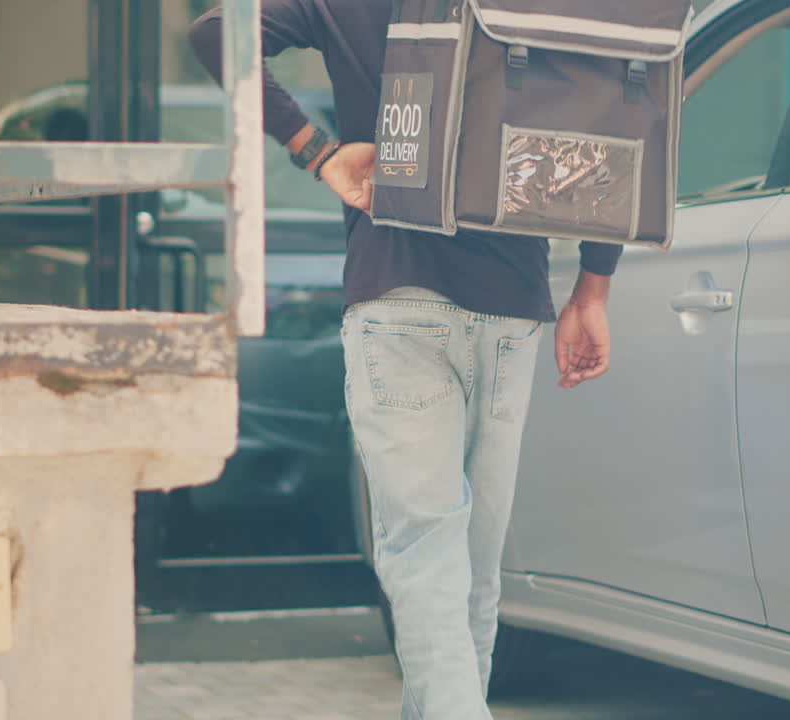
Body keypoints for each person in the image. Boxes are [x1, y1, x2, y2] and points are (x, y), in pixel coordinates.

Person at [189, 2, 620, 719]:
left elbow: (215, 34)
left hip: (397, 292)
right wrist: (595, 283)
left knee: (429, 559)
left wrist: (315, 151)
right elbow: (607, 111)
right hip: (510, 301)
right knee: (472, 576)